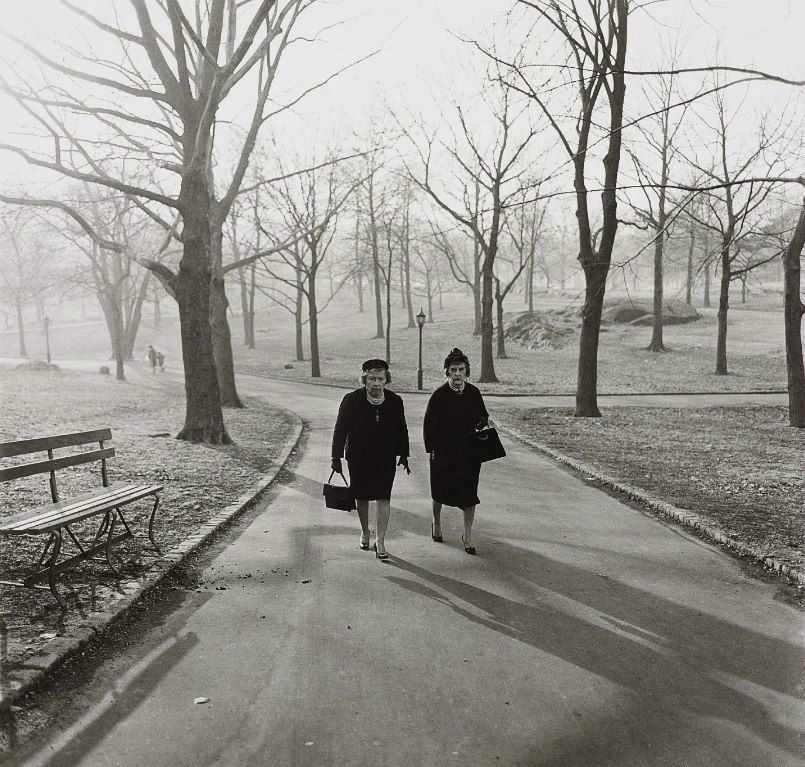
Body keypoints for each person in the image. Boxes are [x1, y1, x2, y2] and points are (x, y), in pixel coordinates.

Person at [331, 359, 410, 560]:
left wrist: (404, 454)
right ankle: (365, 531)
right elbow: (340, 429)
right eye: (372, 379)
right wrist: (336, 457)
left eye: (380, 379)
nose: (376, 383)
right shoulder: (351, 400)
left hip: (385, 457)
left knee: (384, 497)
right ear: (364, 380)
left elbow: (401, 428)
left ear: (386, 380)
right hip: (359, 457)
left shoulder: (395, 401)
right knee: (362, 496)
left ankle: (380, 540)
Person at [423, 348, 489, 555]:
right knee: (439, 490)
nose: (458, 374)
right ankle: (436, 523)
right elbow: (429, 425)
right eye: (453, 370)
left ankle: (467, 534)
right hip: (443, 452)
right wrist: (432, 449)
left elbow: (483, 416)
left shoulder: (474, 393)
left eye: (461, 369)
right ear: (447, 372)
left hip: (469, 453)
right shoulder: (439, 395)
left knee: (469, 494)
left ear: (466, 371)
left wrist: (480, 423)